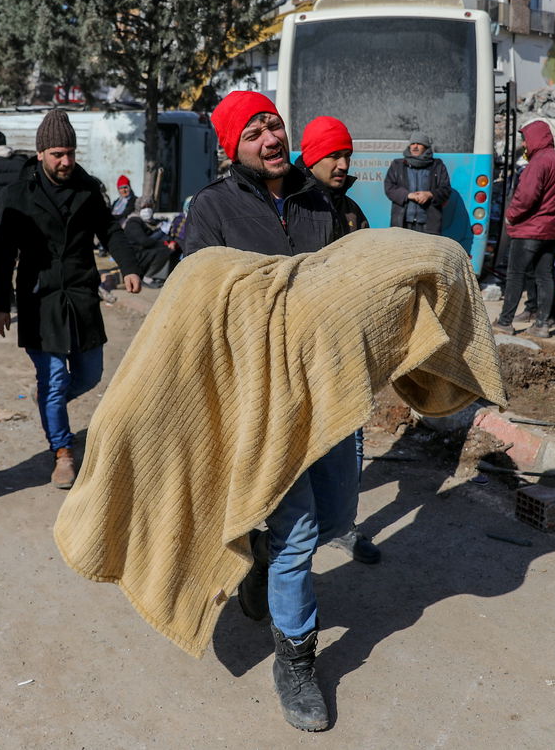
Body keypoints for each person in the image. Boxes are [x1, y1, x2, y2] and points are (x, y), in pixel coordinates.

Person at [184, 90, 347, 733]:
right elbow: (195, 297)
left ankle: (258, 568)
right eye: (252, 132)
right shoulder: (212, 208)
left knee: (335, 515)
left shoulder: (317, 200)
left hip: (327, 388)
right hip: (260, 395)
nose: (270, 137)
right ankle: (298, 663)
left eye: (273, 124)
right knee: (301, 531)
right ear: (233, 148)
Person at [0, 110, 142, 489]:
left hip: (80, 294)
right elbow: (4, 251)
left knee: (90, 375)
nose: (66, 161)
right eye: (58, 153)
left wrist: (130, 265)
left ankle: (49, 404)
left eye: (70, 152)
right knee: (54, 379)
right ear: (41, 153)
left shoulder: (88, 187)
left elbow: (109, 229)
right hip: (40, 299)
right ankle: (62, 451)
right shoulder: (19, 193)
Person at [294, 115, 382, 566]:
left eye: (347, 155)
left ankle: (343, 524)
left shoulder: (350, 210)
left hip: (348, 345)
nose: (343, 163)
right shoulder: (294, 206)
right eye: (334, 155)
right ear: (312, 157)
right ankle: (296, 534)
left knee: (353, 431)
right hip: (306, 349)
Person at [494, 120, 555, 338]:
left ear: (535, 138)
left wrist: (511, 215)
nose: (525, 145)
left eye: (526, 139)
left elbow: (526, 196)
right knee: (545, 275)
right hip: (550, 228)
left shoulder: (538, 163)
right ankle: (542, 323)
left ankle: (505, 321)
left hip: (529, 229)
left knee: (515, 274)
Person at [384, 130, 451, 234]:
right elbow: (389, 187)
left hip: (428, 226)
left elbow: (446, 189)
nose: (415, 146)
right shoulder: (397, 165)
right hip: (402, 224)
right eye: (413, 144)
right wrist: (408, 195)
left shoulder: (437, 165)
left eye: (419, 144)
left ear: (426, 147)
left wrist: (430, 194)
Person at [122, 198, 178, 287]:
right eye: (144, 207)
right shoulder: (133, 222)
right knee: (165, 251)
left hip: (144, 252)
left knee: (172, 249)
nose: (147, 209)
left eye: (150, 206)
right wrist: (165, 244)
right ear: (138, 208)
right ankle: (147, 277)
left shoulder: (153, 223)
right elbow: (144, 242)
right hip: (135, 255)